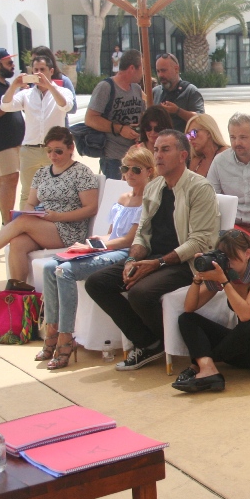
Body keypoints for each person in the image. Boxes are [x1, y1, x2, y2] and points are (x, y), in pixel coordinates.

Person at [86, 129, 219, 371]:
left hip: (185, 262)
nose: (158, 155)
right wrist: (131, 260)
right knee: (97, 283)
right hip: (153, 258)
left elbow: (200, 241)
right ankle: (149, 342)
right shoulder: (154, 187)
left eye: (165, 150)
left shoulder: (199, 187)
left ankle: (174, 343)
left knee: (140, 293)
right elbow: (142, 232)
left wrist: (157, 264)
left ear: (182, 155)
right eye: (156, 149)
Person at [38, 147, 153, 369]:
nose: (129, 173)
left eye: (136, 169)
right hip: (109, 248)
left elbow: (129, 240)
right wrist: (92, 243)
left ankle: (65, 337)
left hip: (124, 252)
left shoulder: (148, 200)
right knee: (48, 268)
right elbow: (112, 234)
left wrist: (97, 246)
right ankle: (51, 331)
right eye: (125, 168)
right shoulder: (123, 198)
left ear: (149, 171)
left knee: (64, 271)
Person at [174, 229, 250, 393]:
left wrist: (224, 282)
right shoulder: (226, 273)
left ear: (247, 254)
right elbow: (190, 307)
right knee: (186, 319)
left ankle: (199, 364)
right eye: (224, 257)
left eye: (233, 257)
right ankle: (208, 368)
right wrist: (198, 278)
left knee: (246, 328)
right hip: (243, 351)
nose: (229, 262)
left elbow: (245, 314)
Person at [0, 126, 98, 283]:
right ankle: (18, 292)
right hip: (43, 225)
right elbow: (30, 203)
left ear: (71, 148)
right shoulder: (42, 173)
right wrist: (33, 213)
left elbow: (90, 208)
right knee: (17, 243)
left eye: (58, 151)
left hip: (69, 229)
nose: (52, 156)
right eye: (49, 151)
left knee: (23, 221)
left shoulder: (82, 172)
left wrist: (58, 216)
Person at [0, 54, 76, 207]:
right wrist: (14, 86)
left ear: (51, 71)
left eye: (42, 69)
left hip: (54, 150)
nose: (38, 73)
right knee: (27, 194)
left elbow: (66, 106)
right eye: (35, 70)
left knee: (58, 191)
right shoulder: (26, 94)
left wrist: (49, 86)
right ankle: (25, 221)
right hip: (30, 150)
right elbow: (6, 106)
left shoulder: (62, 91)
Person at [84, 48, 145, 179]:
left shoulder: (137, 89)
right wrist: (120, 129)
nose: (143, 73)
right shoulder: (106, 87)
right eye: (142, 68)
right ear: (132, 68)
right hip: (113, 158)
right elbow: (90, 119)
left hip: (135, 156)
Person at [0, 48, 22, 225]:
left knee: (10, 180)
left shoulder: (6, 85)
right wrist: (7, 105)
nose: (13, 65)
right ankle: (7, 224)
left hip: (14, 142)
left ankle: (7, 223)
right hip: (1, 143)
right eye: (9, 62)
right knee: (8, 180)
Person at [152, 53, 204, 132]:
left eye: (163, 70)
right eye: (158, 71)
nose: (160, 75)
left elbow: (201, 120)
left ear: (176, 69)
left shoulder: (190, 91)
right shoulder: (155, 92)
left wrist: (178, 111)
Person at [185, 113, 229, 179]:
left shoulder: (226, 154)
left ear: (209, 132)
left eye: (193, 133)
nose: (190, 138)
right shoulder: (195, 160)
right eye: (188, 135)